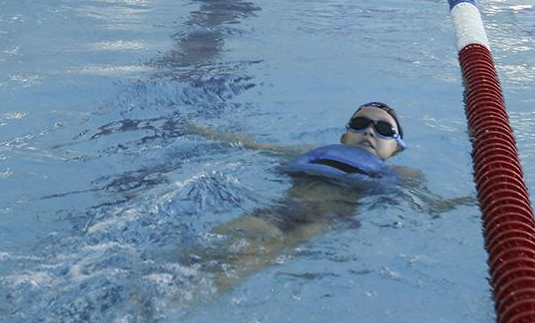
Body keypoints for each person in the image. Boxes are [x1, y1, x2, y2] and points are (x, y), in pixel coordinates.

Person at [186, 103, 467, 292]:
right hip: (283, 208)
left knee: (247, 262)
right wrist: (202, 131)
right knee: (205, 248)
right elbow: (254, 145)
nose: (369, 131)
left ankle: (183, 301)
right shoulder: (316, 151)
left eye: (383, 130)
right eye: (360, 124)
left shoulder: (402, 173)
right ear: (345, 136)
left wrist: (470, 201)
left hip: (326, 219)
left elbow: (429, 205)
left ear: (397, 148)